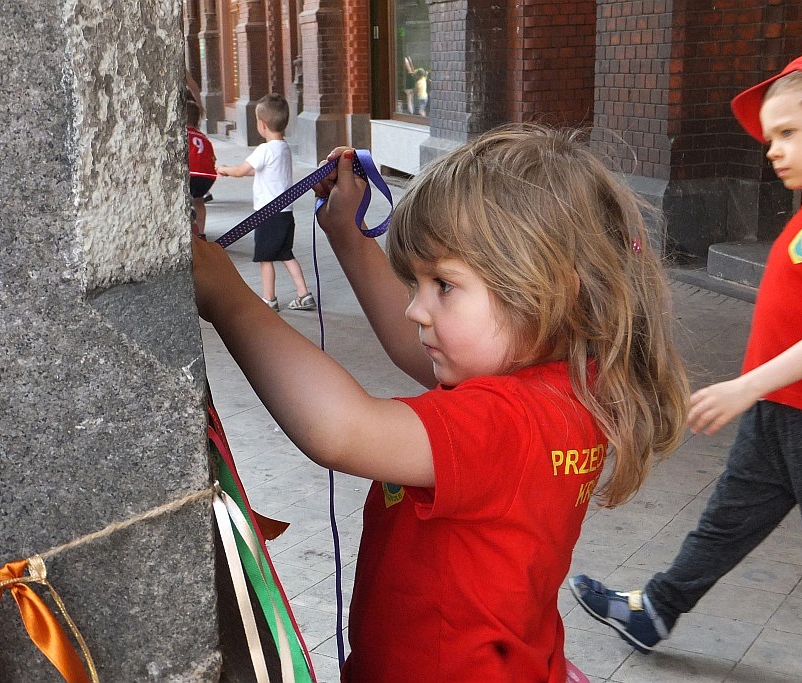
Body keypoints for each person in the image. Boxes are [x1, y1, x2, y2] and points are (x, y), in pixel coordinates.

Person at [193, 123, 690, 681]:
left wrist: (228, 300)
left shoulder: (507, 421)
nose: (417, 310)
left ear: (550, 289)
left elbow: (343, 430)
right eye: (418, 284)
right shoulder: (563, 385)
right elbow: (422, 351)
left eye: (444, 286)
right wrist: (351, 239)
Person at [569, 48, 802, 654]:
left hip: (799, 416)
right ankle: (656, 609)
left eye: (788, 132)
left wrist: (745, 385)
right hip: (779, 415)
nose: (772, 148)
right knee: (726, 523)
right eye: (770, 135)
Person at [216, 93, 315, 312]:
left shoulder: (264, 149)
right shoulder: (284, 149)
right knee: (286, 254)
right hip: (285, 213)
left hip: (266, 214)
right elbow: (260, 172)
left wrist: (225, 169)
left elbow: (242, 170)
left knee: (265, 258)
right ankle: (303, 294)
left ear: (262, 125)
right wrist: (237, 173)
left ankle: (269, 299)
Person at [187, 98, 217, 239]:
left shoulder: (182, 135)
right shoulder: (203, 137)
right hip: (207, 177)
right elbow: (212, 158)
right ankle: (201, 233)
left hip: (190, 174)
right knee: (199, 201)